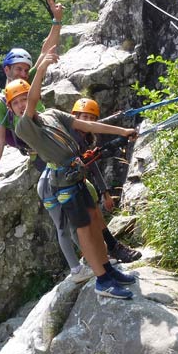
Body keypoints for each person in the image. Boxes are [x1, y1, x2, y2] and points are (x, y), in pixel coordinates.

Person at [10, 45, 137, 299]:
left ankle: (108, 271)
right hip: (63, 183)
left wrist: (122, 131)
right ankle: (102, 281)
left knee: (94, 225)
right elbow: (34, 100)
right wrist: (42, 68)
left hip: (76, 176)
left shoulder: (53, 115)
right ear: (12, 109)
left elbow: (86, 124)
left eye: (24, 98)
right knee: (83, 230)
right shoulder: (24, 127)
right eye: (17, 103)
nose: (23, 104)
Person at [41, 99, 142, 283]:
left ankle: (104, 252)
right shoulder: (69, 135)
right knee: (67, 227)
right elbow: (87, 162)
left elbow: (91, 163)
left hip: (71, 180)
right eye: (84, 117)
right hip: (53, 184)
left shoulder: (85, 138)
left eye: (90, 118)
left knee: (91, 213)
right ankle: (82, 267)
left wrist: (104, 192)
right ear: (75, 117)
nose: (87, 121)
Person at [0, 0, 64, 193]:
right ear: (7, 70)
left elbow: (46, 49)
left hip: (51, 133)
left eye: (26, 69)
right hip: (37, 147)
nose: (23, 74)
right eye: (18, 69)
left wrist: (56, 21)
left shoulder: (28, 80)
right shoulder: (0, 102)